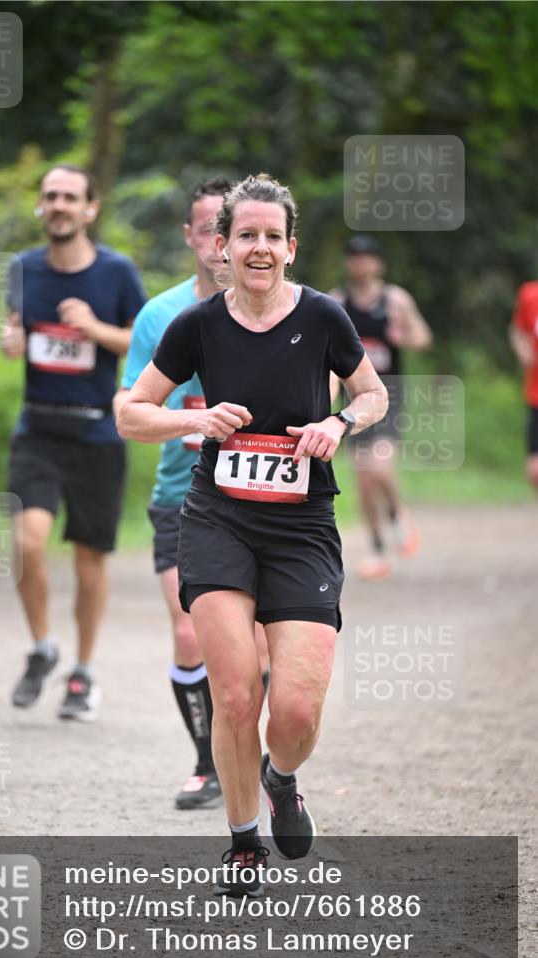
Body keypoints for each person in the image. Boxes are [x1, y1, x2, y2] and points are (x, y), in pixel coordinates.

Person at [118, 174, 387, 894]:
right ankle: (242, 841)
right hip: (217, 521)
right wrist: (192, 420)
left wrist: (338, 423)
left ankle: (282, 777)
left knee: (294, 708)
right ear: (220, 247)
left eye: (272, 236)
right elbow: (129, 412)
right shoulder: (195, 327)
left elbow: (371, 392)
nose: (258, 247)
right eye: (245, 236)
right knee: (236, 695)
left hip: (302, 527)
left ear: (290, 248)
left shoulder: (325, 318)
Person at [115, 178, 270, 811]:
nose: (215, 241)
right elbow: (128, 403)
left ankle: (250, 756)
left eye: (223, 228)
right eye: (205, 228)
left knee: (257, 647)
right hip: (179, 499)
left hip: (259, 499)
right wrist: (190, 421)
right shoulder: (162, 315)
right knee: (188, 637)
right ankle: (208, 762)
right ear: (192, 236)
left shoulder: (278, 310)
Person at [2, 165, 145, 720]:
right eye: (50, 196)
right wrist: (12, 340)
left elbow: (145, 338)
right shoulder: (21, 269)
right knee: (29, 542)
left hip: (96, 430)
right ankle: (42, 649)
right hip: (37, 427)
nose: (59, 205)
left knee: (90, 558)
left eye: (70, 197)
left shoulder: (116, 272)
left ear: (91, 208)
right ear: (41, 207)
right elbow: (16, 329)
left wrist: (95, 330)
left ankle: (82, 673)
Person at [330, 236, 432, 581]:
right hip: (354, 399)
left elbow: (423, 338)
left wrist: (403, 332)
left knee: (381, 468)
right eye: (355, 257)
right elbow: (325, 351)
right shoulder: (337, 301)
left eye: (367, 258)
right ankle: (376, 550)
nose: (361, 264)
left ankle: (398, 514)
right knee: (362, 480)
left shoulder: (395, 299)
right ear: (348, 263)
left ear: (378, 264)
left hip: (390, 396)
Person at [508, 280, 538, 493]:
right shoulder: (530, 294)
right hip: (536, 394)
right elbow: (517, 329)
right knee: (534, 470)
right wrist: (522, 350)